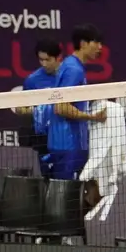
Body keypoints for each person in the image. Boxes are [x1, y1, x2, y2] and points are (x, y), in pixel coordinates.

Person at [46, 24, 106, 183]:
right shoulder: (74, 69)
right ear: (83, 43)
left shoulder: (71, 65)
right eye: (96, 42)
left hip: (67, 143)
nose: (100, 47)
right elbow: (61, 107)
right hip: (68, 144)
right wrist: (92, 117)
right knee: (66, 194)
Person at [14, 41, 60, 174]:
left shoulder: (69, 76)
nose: (44, 64)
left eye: (48, 60)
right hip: (43, 138)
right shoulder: (32, 80)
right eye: (41, 60)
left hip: (66, 136)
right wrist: (40, 111)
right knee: (47, 175)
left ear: (58, 58)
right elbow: (21, 108)